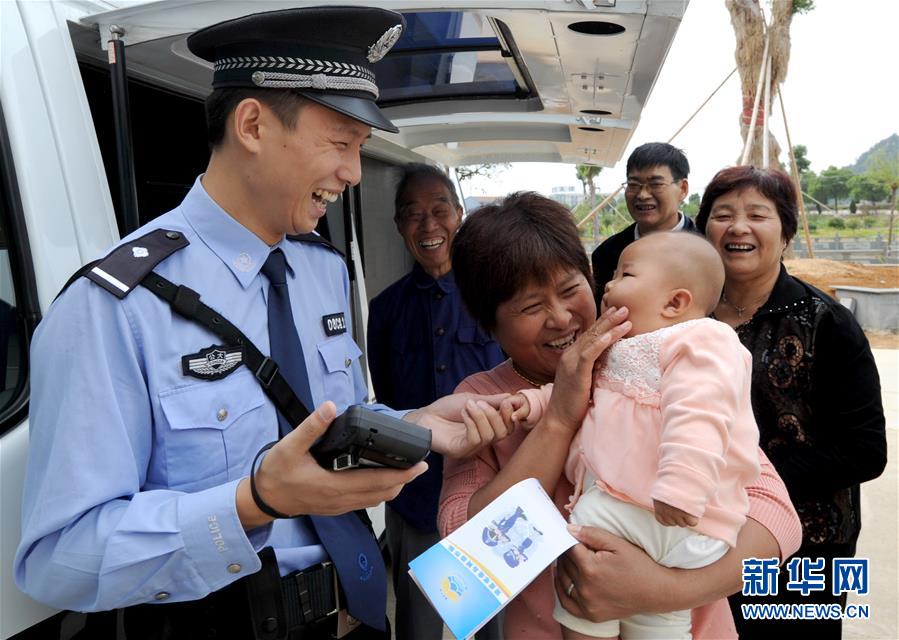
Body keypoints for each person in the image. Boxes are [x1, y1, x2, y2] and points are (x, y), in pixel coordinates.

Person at [14, 8, 510, 640]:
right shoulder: (114, 306)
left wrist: (414, 424)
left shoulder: (320, 270)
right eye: (340, 143)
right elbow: (59, 560)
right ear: (252, 125)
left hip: (355, 613)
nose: (354, 173)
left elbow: (331, 422)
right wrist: (253, 503)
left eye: (360, 149)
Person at [440, 192, 803, 640]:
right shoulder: (481, 400)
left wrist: (663, 591)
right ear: (490, 324)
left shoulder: (657, 363)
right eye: (531, 307)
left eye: (571, 290)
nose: (561, 318)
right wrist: (558, 419)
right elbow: (467, 567)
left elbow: (777, 520)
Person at [503, 232, 761, 639]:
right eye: (611, 275)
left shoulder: (702, 340)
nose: (608, 285)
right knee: (660, 621)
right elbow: (578, 393)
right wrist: (533, 404)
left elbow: (699, 414)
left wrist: (682, 488)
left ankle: (586, 631)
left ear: (674, 303)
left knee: (584, 530)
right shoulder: (622, 348)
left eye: (625, 274)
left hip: (669, 513)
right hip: (653, 518)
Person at [694, 166, 887, 639]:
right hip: (697, 534)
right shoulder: (685, 312)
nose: (738, 227)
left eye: (757, 215)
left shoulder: (828, 323)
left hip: (805, 546)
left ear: (786, 234)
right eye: (723, 214)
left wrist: (742, 480)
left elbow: (865, 450)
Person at [366, 163, 504, 640]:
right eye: (413, 214)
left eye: (439, 210)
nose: (428, 225)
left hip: (491, 497)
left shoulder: (495, 295)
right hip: (418, 498)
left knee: (493, 628)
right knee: (419, 627)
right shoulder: (386, 310)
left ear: (459, 214)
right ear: (399, 225)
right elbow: (389, 404)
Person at [590, 142, 695, 303]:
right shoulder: (606, 254)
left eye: (656, 184)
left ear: (683, 189)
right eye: (633, 185)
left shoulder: (709, 248)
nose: (643, 195)